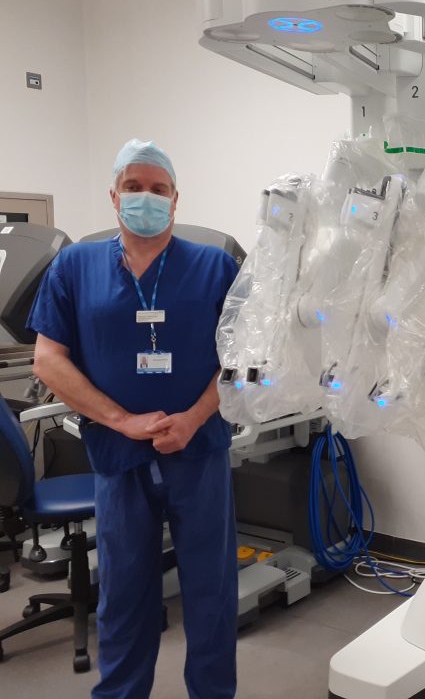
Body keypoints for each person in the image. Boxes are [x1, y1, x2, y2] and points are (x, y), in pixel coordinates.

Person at [28, 140, 240, 699]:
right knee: (123, 596)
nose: (145, 197)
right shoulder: (74, 267)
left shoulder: (215, 266)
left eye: (158, 189)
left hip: (198, 451)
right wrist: (121, 420)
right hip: (119, 457)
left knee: (211, 593)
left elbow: (244, 361)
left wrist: (194, 419)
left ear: (175, 200)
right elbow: (48, 359)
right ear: (114, 196)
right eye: (134, 187)